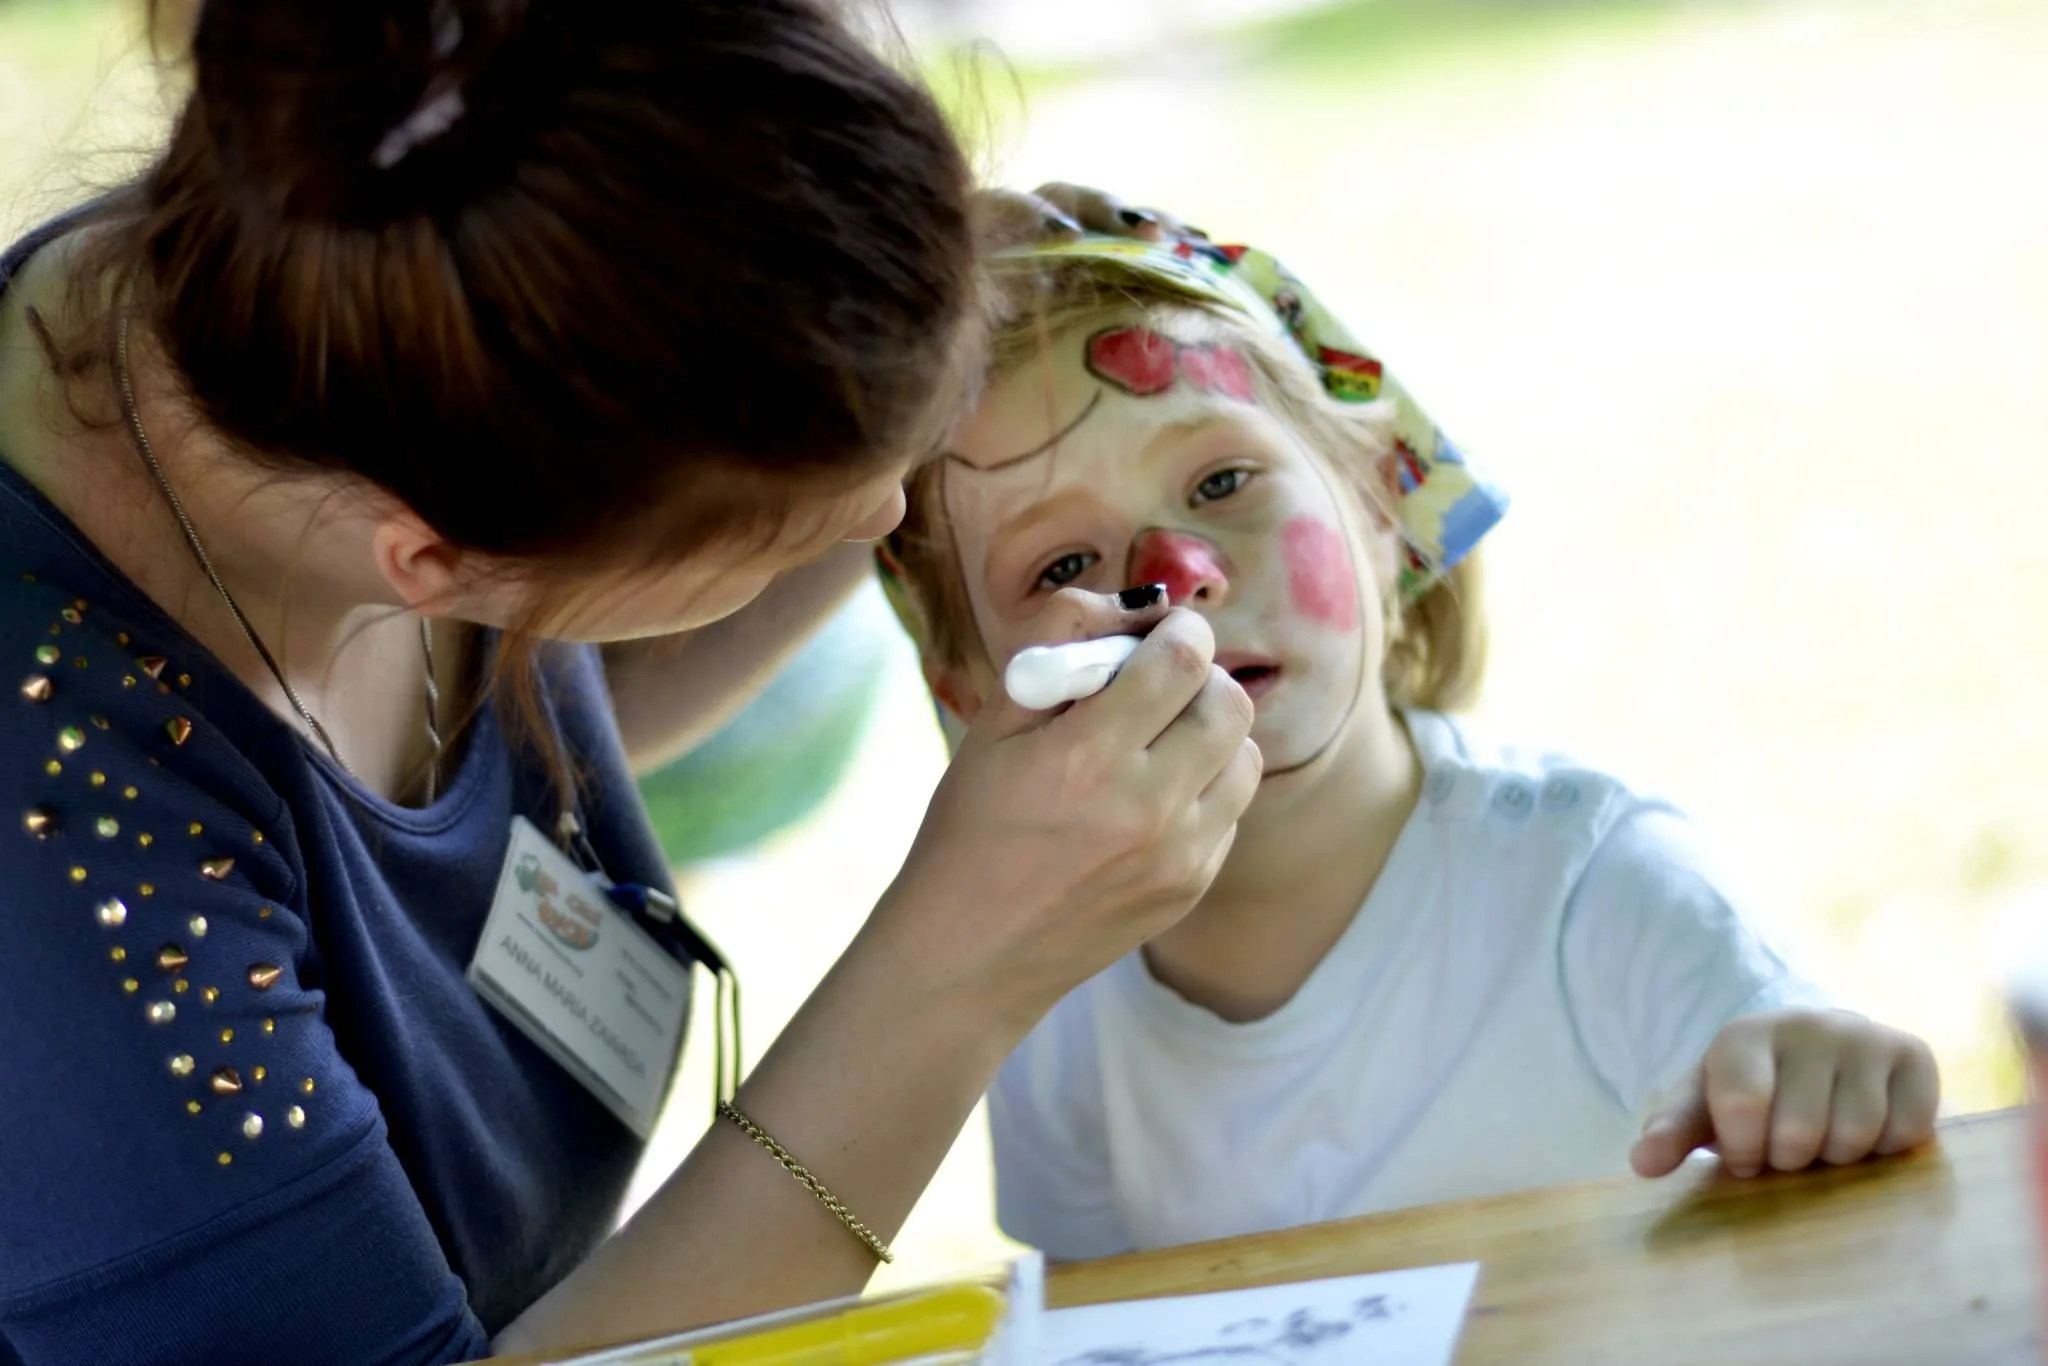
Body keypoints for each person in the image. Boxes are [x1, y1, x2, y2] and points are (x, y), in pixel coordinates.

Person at [0, 3, 1261, 1361]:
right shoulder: (61, 847)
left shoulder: (360, 277)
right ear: (432, 562)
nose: (883, 515)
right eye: (797, 521)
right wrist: (963, 965)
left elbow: (535, 734)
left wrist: (884, 348)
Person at [876, 234, 1942, 1260]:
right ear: (971, 699)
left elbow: (1805, 1092)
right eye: (1063, 559)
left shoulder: (1591, 885)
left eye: (1219, 483)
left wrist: (1813, 1069)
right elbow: (1096, 1329)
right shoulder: (1046, 995)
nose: (1180, 573)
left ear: (1383, 512)